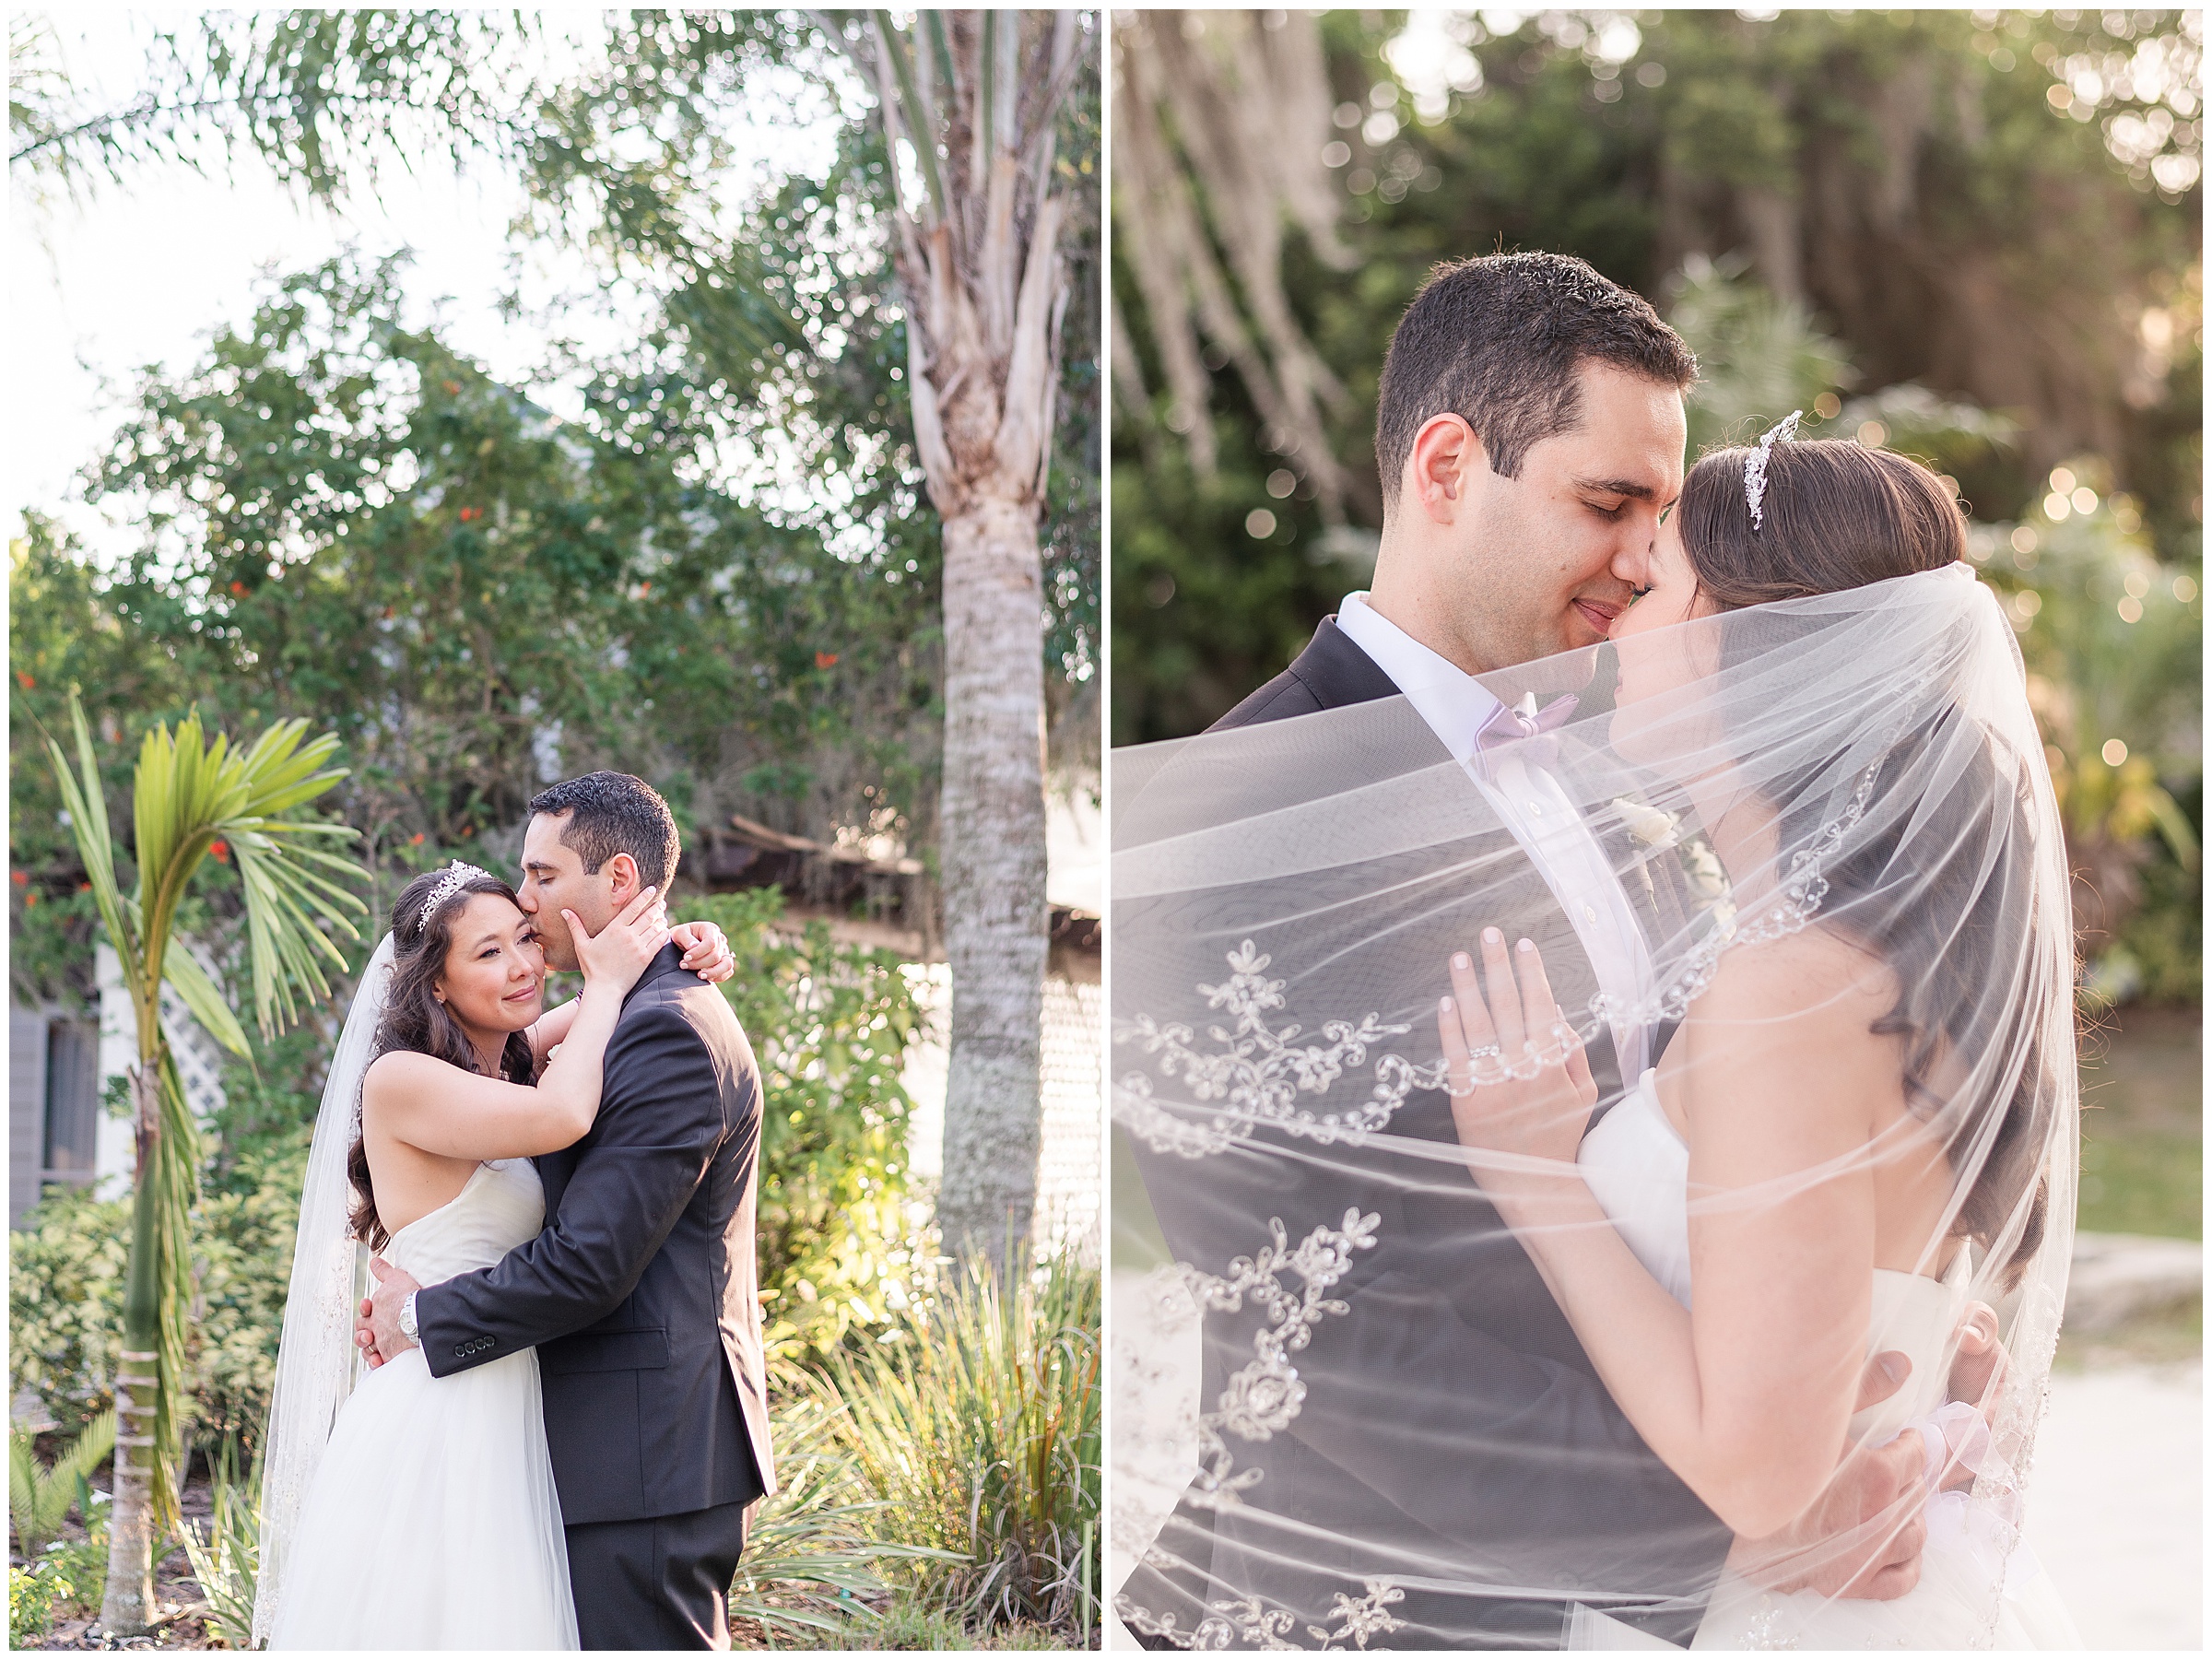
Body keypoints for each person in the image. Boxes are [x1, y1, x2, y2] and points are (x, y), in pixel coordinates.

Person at [1112, 254, 2008, 1648]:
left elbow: (1749, 1174)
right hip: (1390, 1611)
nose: (1649, 560)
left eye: (1664, 515)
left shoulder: (1645, 794)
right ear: (1451, 466)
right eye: (1611, 504)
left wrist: (1870, 1350)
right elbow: (1327, 1324)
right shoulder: (1229, 826)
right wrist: (1749, 1529)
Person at [1435, 431, 2080, 1647]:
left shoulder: (1788, 997)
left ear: (1750, 639)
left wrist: (1537, 1177)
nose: (1623, 607)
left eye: (1661, 575)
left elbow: (1760, 1477)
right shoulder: (1858, 964)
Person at [256, 771, 772, 1650]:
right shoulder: (462, 1073)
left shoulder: (659, 1026)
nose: (529, 925)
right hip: (482, 1421)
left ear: (616, 882)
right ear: (438, 983)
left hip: (632, 1446)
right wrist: (631, 965)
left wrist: (419, 1311)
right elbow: (559, 1093)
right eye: (489, 948)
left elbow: (588, 1260)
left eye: (539, 879)